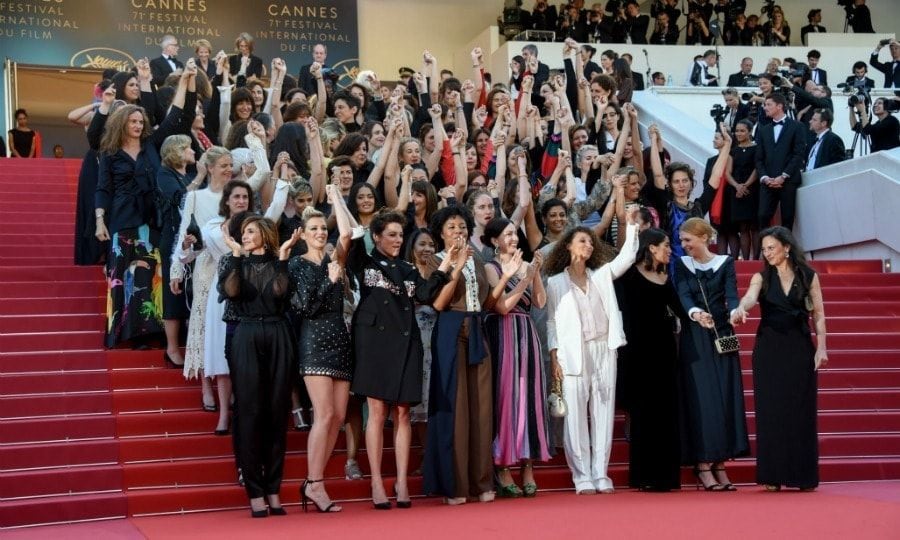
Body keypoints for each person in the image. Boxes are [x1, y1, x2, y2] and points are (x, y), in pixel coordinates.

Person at [335, 191, 454, 510]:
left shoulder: (408, 270)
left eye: (401, 235)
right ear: (377, 237)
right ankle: (376, 482)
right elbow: (347, 235)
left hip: (406, 342)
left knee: (402, 412)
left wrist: (448, 265)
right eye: (391, 235)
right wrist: (336, 196)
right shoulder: (363, 259)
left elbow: (428, 295)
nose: (398, 239)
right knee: (376, 412)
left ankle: (401, 482)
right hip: (373, 343)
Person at [94, 58, 194, 348]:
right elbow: (102, 189)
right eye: (132, 121)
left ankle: (144, 333)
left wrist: (186, 80)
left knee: (147, 275)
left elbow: (175, 115)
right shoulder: (110, 151)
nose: (137, 125)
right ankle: (120, 331)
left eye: (140, 121)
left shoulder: (151, 144)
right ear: (121, 123)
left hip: (151, 219)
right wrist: (100, 220)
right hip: (122, 219)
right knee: (121, 275)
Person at [545, 211, 639, 494]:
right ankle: (581, 474)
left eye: (591, 242)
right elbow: (550, 321)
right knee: (575, 416)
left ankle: (600, 472)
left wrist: (632, 225)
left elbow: (626, 258)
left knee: (602, 411)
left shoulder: (601, 276)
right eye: (583, 241)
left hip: (603, 348)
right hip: (572, 352)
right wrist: (554, 356)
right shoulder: (554, 283)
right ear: (569, 246)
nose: (589, 245)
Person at [731, 226, 828, 491]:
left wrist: (822, 348)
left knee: (800, 410)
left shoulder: (808, 276)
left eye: (771, 248)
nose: (767, 253)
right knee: (770, 411)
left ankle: (802, 475)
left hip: (799, 347)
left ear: (786, 248)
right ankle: (772, 475)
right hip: (769, 349)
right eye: (764, 249)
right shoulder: (761, 277)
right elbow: (750, 298)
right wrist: (740, 308)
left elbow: (818, 313)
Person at [219, 216, 300, 517]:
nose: (245, 235)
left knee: (277, 412)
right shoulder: (234, 261)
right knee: (250, 411)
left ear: (265, 234)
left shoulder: (281, 262)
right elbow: (232, 292)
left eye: (250, 231)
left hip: (279, 334)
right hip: (246, 334)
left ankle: (273, 489)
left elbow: (280, 292)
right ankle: (254, 490)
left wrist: (282, 258)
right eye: (242, 232)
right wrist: (237, 255)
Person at [422, 205, 495, 505]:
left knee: (482, 409)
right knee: (457, 409)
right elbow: (437, 304)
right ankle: (456, 485)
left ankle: (483, 482)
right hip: (451, 328)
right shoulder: (435, 260)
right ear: (441, 233)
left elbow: (488, 301)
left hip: (478, 328)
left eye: (462, 227)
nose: (458, 232)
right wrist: (454, 266)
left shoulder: (478, 258)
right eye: (451, 227)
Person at [674, 217, 750, 491]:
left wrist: (734, 313)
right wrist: (696, 314)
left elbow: (731, 294)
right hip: (696, 336)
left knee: (725, 396)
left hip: (724, 334)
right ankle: (703, 464)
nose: (684, 246)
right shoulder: (682, 265)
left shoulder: (725, 263)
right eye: (682, 241)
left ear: (704, 237)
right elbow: (683, 295)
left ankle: (721, 462)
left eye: (688, 241)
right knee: (703, 398)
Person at [289, 204, 351, 513]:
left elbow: (348, 233)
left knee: (338, 417)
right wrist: (329, 280)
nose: (320, 232)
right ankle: (314, 483)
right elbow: (304, 308)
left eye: (323, 228)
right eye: (313, 228)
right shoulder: (297, 265)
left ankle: (316, 480)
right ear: (302, 234)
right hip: (314, 341)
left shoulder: (333, 260)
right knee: (324, 414)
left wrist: (336, 197)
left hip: (340, 339)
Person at [482, 218, 549, 498]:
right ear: (495, 240)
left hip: (527, 333)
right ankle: (503, 465)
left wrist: (534, 274)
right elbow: (502, 307)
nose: (513, 238)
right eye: (507, 234)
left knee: (529, 396)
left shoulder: (526, 265)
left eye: (514, 233)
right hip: (501, 333)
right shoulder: (491, 267)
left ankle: (528, 465)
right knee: (505, 395)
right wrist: (522, 277)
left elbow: (540, 303)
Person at [618, 228, 685, 491]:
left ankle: (666, 476)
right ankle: (644, 476)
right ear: (651, 248)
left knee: (665, 411)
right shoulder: (629, 276)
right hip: (637, 352)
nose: (670, 250)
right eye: (666, 245)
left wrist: (698, 315)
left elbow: (679, 308)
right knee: (643, 413)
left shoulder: (665, 277)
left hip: (665, 351)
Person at [156, 135, 195, 368]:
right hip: (172, 240)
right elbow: (183, 199)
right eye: (188, 148)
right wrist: (201, 175)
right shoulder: (165, 175)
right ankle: (171, 348)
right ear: (176, 151)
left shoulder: (188, 175)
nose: (192, 151)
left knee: (190, 292)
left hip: (192, 241)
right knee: (174, 292)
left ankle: (191, 346)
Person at [755, 93, 807, 231]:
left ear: (780, 106)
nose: (765, 108)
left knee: (788, 218)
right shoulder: (763, 130)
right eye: (765, 105)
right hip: (767, 182)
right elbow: (759, 158)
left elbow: (798, 154)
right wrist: (765, 178)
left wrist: (783, 176)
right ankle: (766, 250)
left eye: (768, 105)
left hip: (788, 181)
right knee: (762, 216)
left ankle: (786, 251)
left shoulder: (797, 126)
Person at [725, 119, 759, 260]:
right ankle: (745, 260)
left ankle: (756, 259)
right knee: (743, 228)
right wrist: (737, 186)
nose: (738, 133)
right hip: (737, 192)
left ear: (750, 132)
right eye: (737, 130)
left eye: (742, 130)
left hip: (753, 191)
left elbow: (757, 169)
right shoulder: (733, 151)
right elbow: (727, 173)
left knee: (755, 227)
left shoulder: (757, 149)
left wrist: (745, 185)